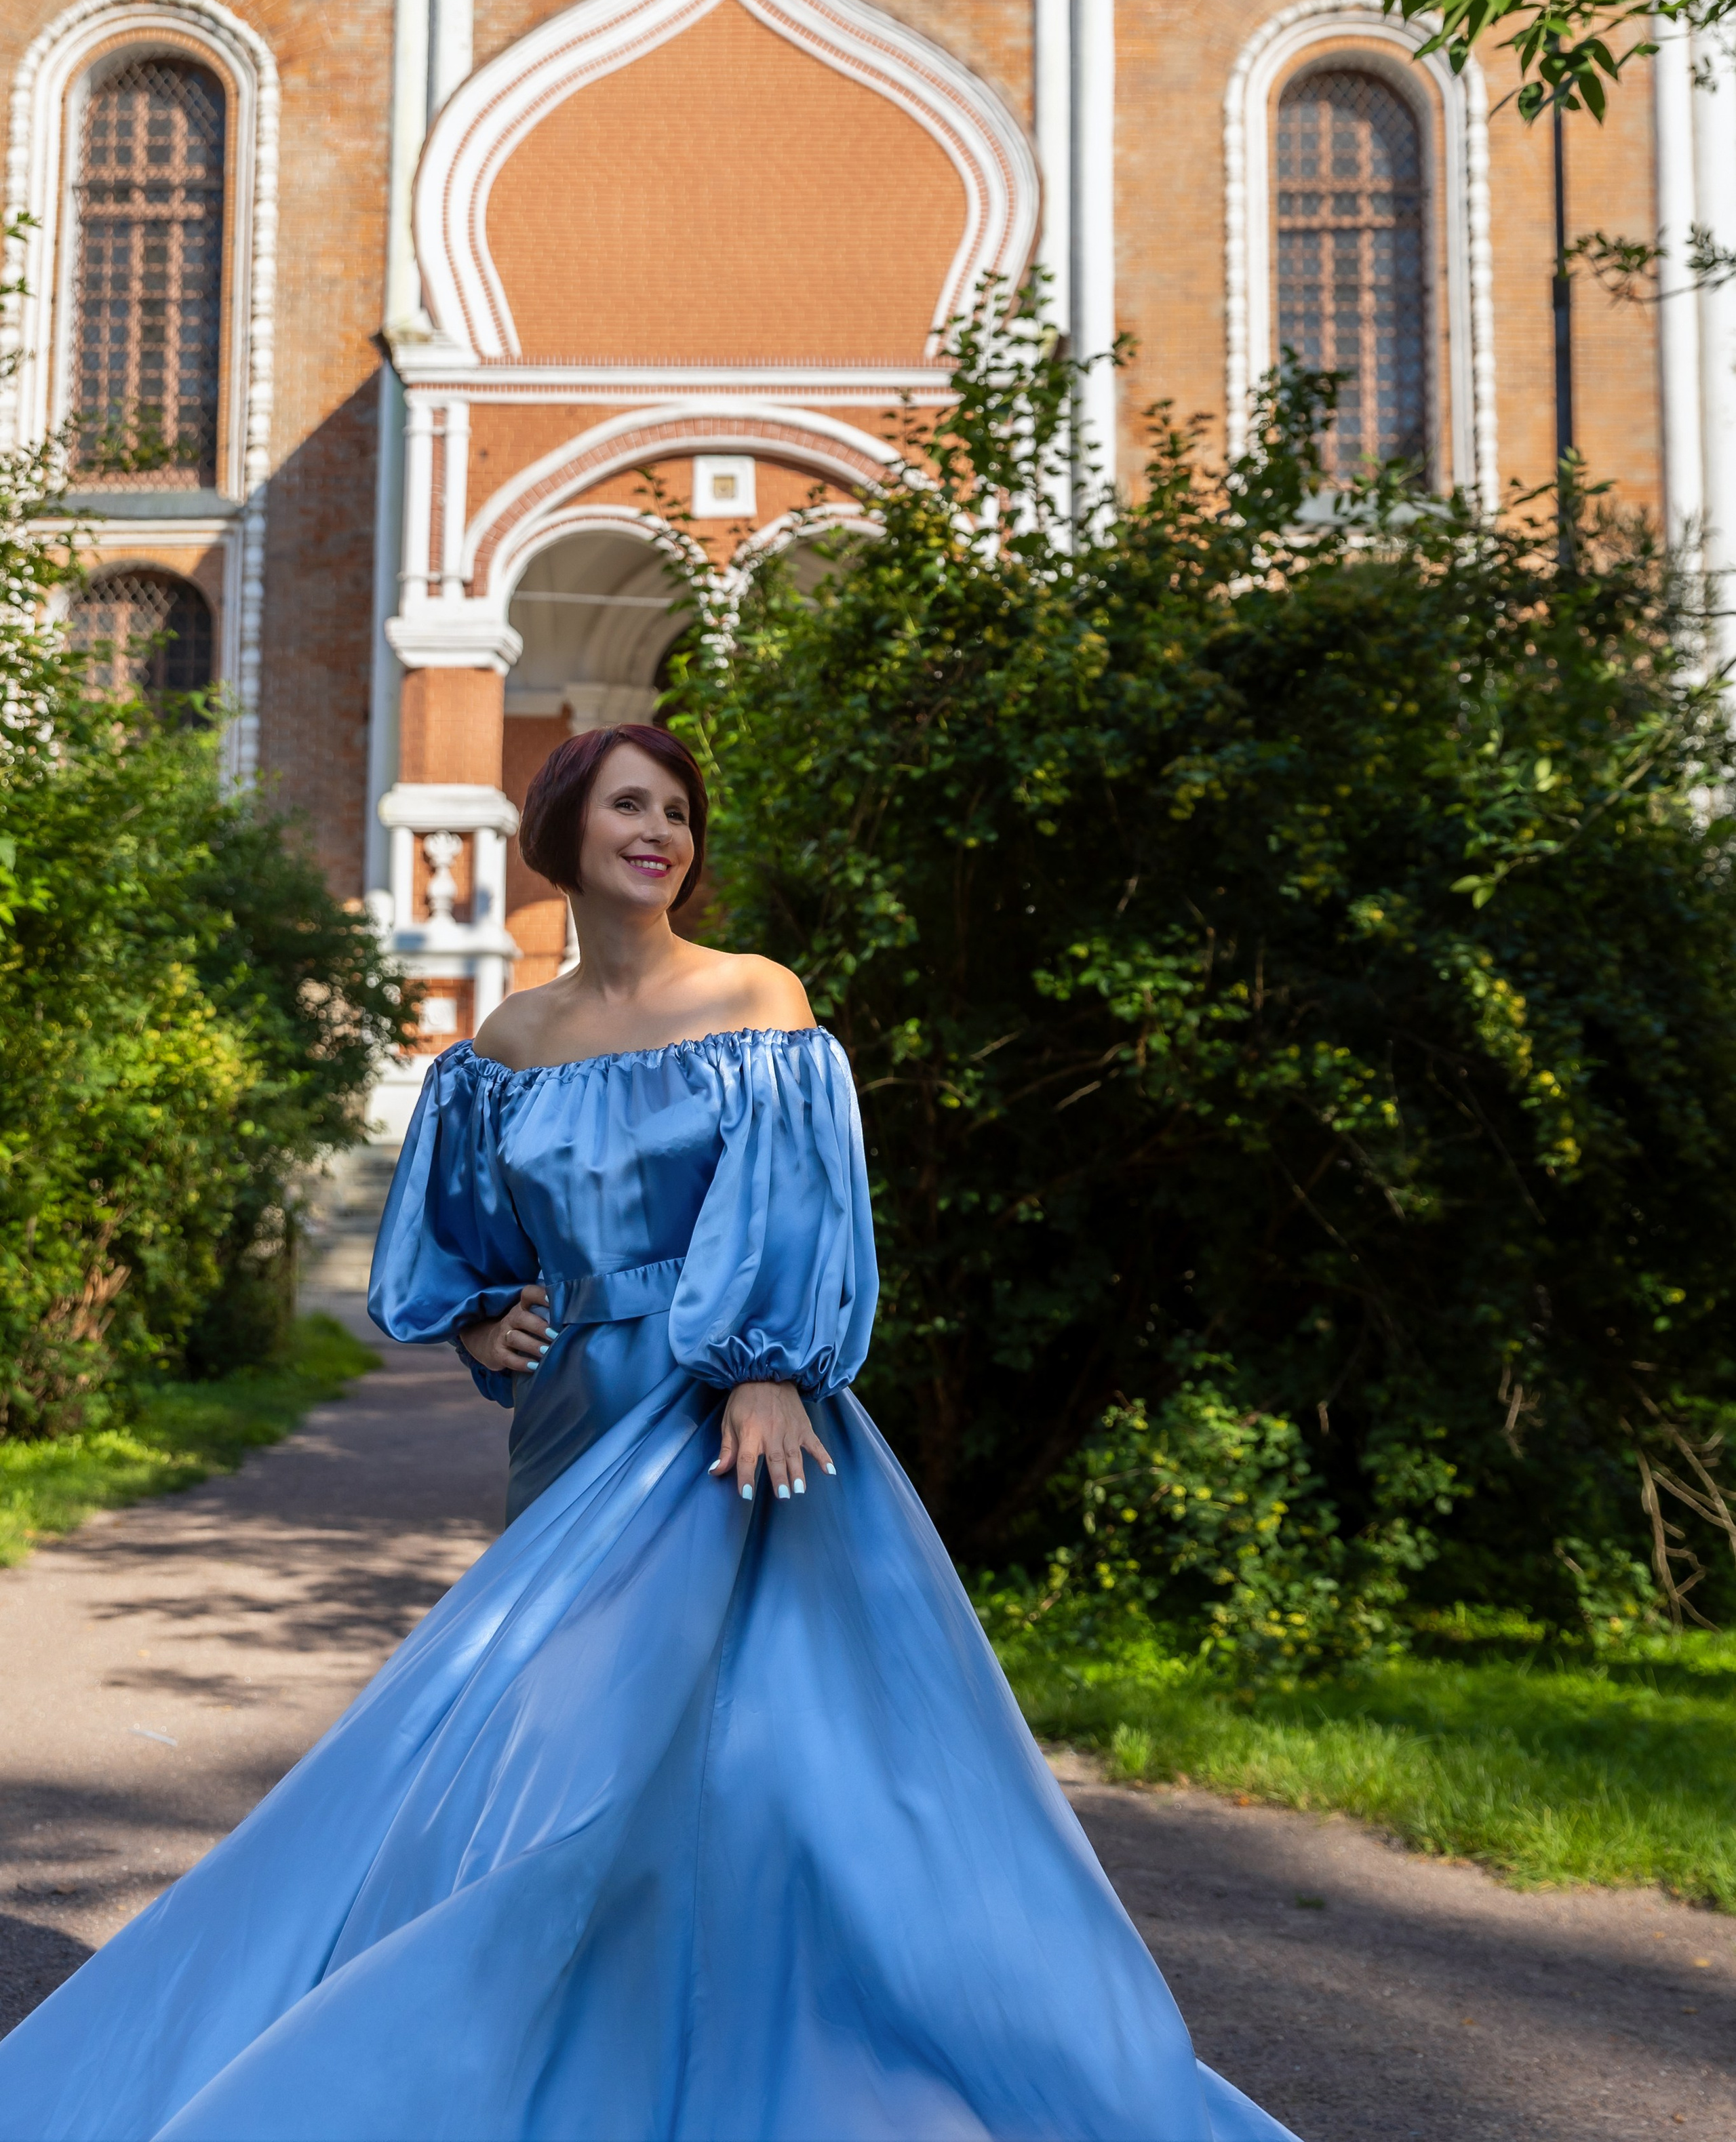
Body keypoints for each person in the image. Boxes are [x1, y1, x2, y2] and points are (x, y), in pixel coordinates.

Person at [0, 724, 1298, 2142]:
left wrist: (764, 1367)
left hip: (728, 1420)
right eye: (631, 804)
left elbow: (796, 1200)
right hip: (570, 1425)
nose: (661, 831)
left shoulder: (753, 997)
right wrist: (475, 1312)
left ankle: (780, 2050)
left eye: (677, 812)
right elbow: (458, 1236)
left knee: (767, 1748)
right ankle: (565, 2049)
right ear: (562, 832)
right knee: (562, 1741)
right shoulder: (507, 1043)